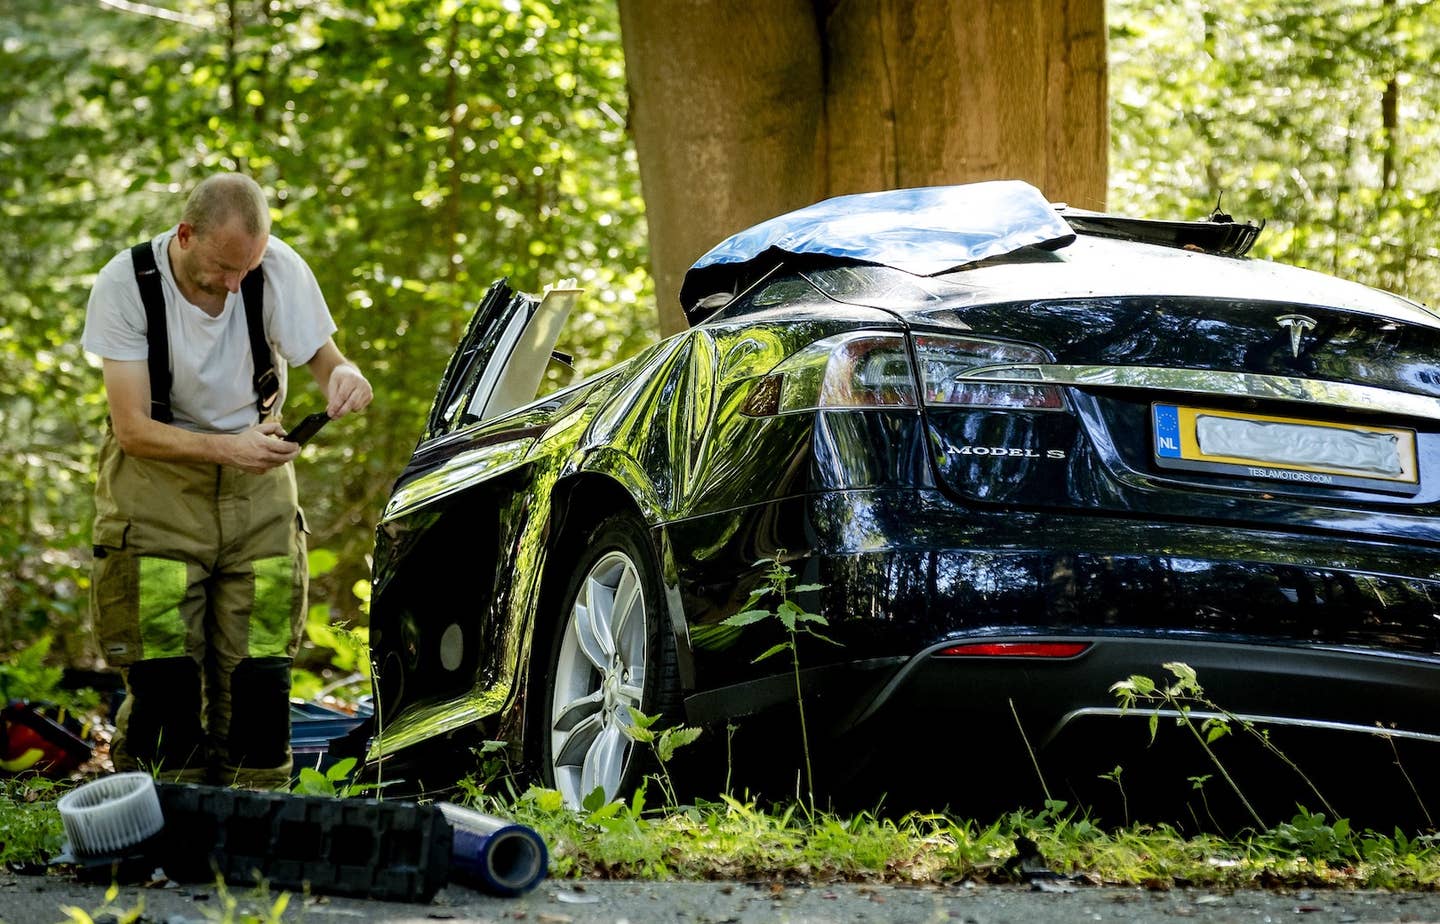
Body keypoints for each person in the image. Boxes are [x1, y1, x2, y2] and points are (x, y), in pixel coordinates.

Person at [82, 173, 372, 788]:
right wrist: (227, 449)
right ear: (184, 235)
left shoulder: (276, 268)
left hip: (260, 499)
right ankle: (164, 827)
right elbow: (132, 429)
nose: (235, 284)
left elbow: (326, 359)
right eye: (222, 267)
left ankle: (256, 828)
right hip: (156, 492)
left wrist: (344, 375)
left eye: (249, 268)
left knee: (260, 677)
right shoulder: (126, 284)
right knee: (165, 681)